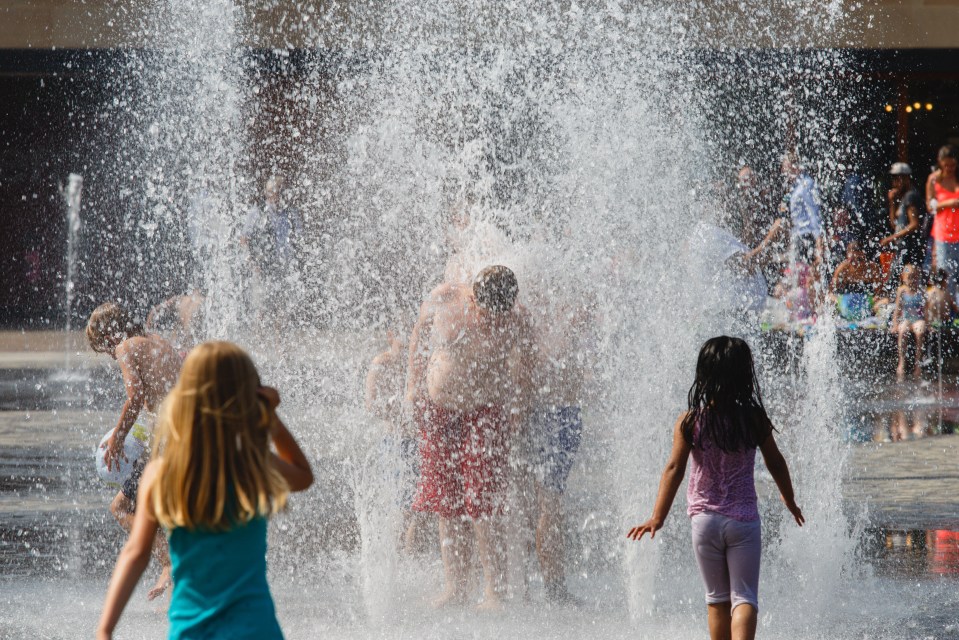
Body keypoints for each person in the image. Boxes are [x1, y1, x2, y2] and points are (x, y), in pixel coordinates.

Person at [96, 341, 314, 640]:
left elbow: (135, 553)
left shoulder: (161, 473)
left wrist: (105, 629)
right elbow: (303, 475)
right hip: (255, 629)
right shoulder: (250, 461)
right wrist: (269, 416)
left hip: (192, 630)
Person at [626, 336, 804, 640]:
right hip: (743, 521)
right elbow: (776, 462)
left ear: (704, 375)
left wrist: (657, 517)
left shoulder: (690, 421)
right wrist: (789, 500)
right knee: (744, 597)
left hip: (704, 521)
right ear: (744, 376)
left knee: (717, 600)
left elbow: (674, 470)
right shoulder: (754, 419)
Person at [406, 265, 534, 610]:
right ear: (473, 297)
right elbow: (419, 335)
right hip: (439, 411)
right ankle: (457, 587)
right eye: (484, 311)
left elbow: (527, 360)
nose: (491, 320)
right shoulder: (446, 297)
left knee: (483, 502)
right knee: (446, 501)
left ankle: (496, 591)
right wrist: (412, 388)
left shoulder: (516, 317)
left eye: (499, 314)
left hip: (486, 411)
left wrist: (519, 405)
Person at [86, 302, 182, 600]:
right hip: (186, 433)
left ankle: (170, 566)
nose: (108, 355)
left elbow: (136, 396)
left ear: (109, 337)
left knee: (121, 508)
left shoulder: (125, 347)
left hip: (169, 439)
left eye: (103, 348)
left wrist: (118, 438)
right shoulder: (157, 342)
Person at [365, 329, 430, 553]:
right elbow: (372, 404)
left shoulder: (419, 361)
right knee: (402, 508)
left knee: (419, 509)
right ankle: (398, 557)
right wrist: (400, 414)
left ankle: (411, 561)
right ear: (389, 335)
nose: (407, 341)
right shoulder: (381, 363)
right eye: (402, 335)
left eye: (411, 335)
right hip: (396, 443)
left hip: (420, 441)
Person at [880, 162, 925, 281]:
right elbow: (894, 223)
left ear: (906, 178)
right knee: (896, 280)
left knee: (896, 281)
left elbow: (914, 224)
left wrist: (891, 238)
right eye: (893, 178)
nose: (895, 182)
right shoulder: (903, 198)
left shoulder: (911, 196)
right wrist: (892, 202)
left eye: (898, 178)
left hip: (910, 248)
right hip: (902, 247)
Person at [780, 153, 823, 266]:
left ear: (794, 167)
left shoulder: (806, 184)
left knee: (804, 277)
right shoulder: (795, 187)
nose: (784, 172)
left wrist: (818, 240)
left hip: (807, 237)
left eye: (786, 168)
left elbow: (814, 212)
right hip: (798, 236)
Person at [927, 145, 959, 297]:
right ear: (940, 162)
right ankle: (946, 309)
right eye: (946, 165)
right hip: (943, 233)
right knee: (945, 272)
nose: (950, 168)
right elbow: (930, 206)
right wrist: (949, 203)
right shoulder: (934, 179)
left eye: (953, 165)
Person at [830, 241, 883, 321]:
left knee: (884, 302)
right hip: (846, 302)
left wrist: (872, 301)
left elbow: (879, 292)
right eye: (852, 260)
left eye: (859, 259)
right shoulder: (843, 268)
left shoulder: (871, 268)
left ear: (863, 255)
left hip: (867, 302)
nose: (855, 264)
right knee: (829, 299)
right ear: (848, 257)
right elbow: (832, 290)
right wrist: (838, 301)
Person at [890, 265, 926, 381]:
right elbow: (898, 309)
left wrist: (928, 323)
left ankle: (918, 363)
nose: (912, 280)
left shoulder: (921, 290)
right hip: (906, 319)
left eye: (915, 277)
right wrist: (895, 324)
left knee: (920, 332)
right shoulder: (901, 291)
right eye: (910, 277)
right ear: (903, 278)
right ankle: (901, 362)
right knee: (902, 330)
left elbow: (926, 309)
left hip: (917, 319)